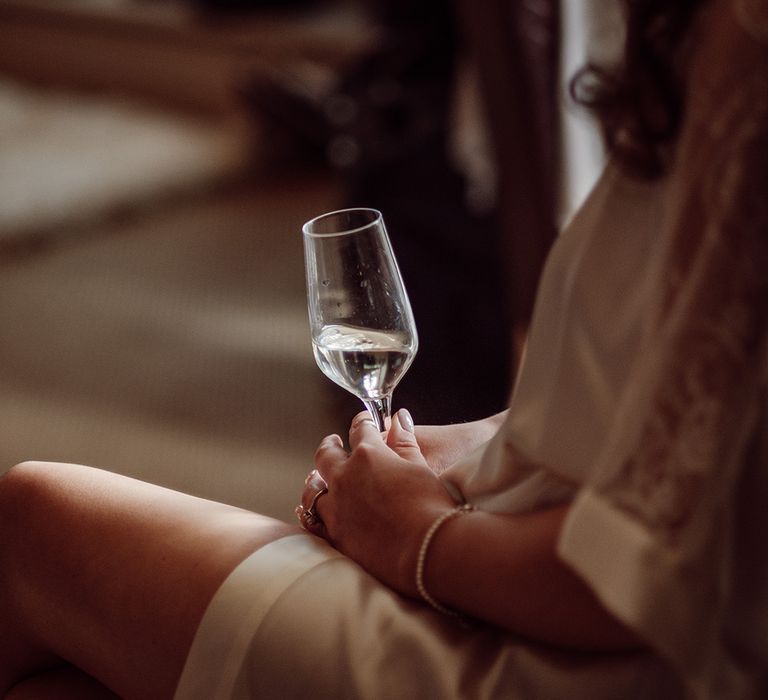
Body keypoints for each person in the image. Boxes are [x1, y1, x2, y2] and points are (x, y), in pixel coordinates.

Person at [1, 0, 767, 697]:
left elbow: (647, 582)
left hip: (583, 663)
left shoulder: (746, 41)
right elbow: (697, 400)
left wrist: (417, 537)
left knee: (33, 523)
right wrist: (483, 441)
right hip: (534, 549)